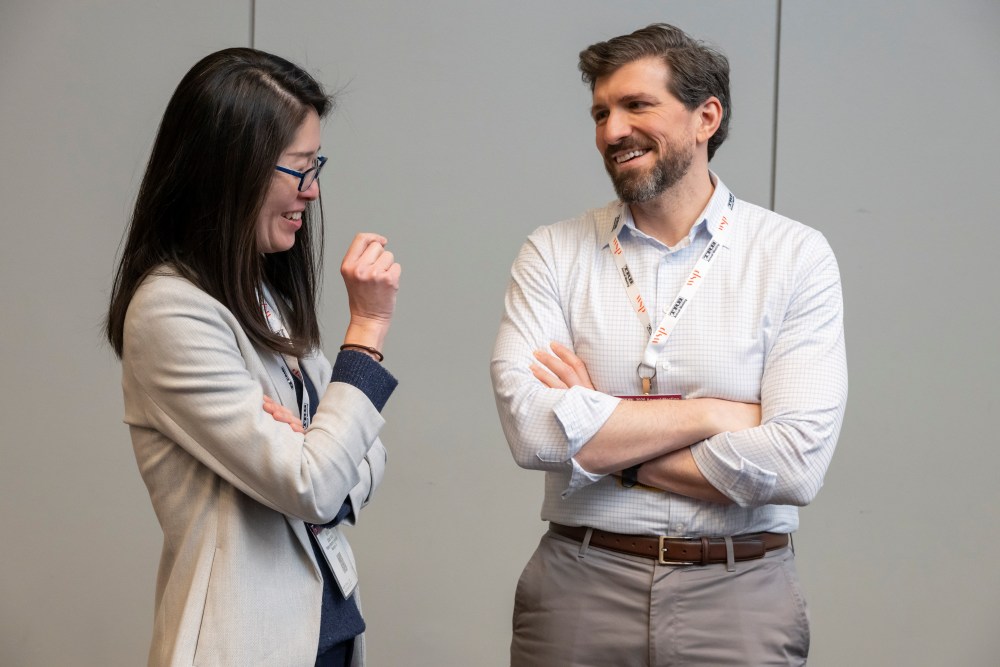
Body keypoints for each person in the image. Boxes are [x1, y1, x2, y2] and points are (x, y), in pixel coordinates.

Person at [491, 23, 847, 665]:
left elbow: (794, 465)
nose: (610, 130)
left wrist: (603, 440)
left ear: (706, 116)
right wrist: (714, 414)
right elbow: (534, 435)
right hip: (579, 584)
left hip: (741, 594)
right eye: (601, 112)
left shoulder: (794, 255)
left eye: (636, 106)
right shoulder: (551, 251)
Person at [106, 48, 400, 666]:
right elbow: (316, 481)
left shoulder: (263, 293)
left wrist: (318, 453)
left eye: (316, 165)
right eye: (299, 168)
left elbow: (362, 458)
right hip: (244, 645)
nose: (313, 190)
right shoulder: (170, 311)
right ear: (231, 169)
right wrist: (367, 328)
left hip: (330, 635)